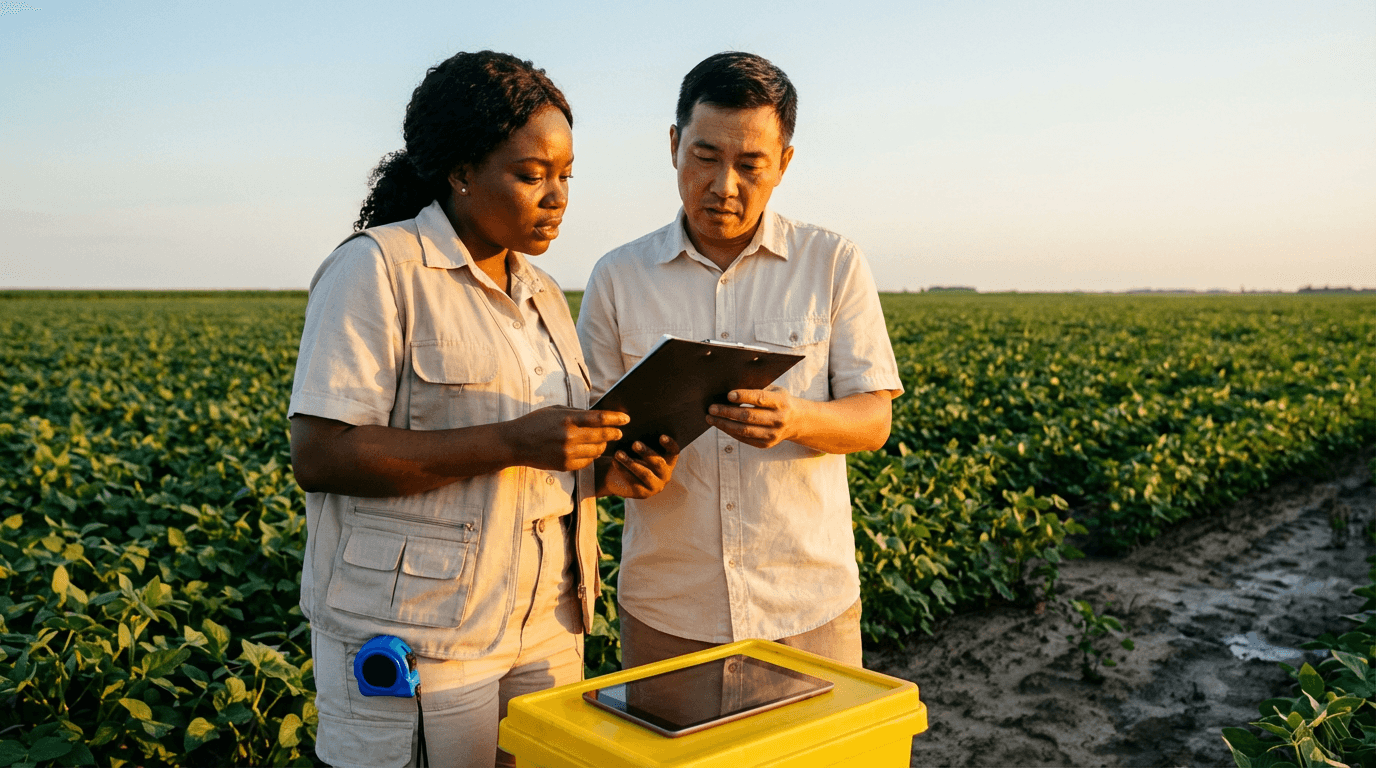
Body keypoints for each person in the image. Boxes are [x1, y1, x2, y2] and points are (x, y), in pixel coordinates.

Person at [288, 51, 677, 768]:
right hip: (423, 633)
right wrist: (511, 442)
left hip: (547, 622)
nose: (557, 198)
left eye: (566, 176)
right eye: (532, 175)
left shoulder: (544, 293)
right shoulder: (378, 268)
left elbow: (539, 459)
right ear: (462, 172)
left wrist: (604, 474)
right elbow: (321, 454)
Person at [576, 51, 903, 670]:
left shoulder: (832, 263)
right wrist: (619, 472)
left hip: (807, 605)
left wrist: (797, 418)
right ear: (674, 146)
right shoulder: (618, 277)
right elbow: (586, 431)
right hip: (670, 607)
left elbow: (873, 419)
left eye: (750, 165)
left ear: (784, 164)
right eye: (705, 157)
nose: (724, 185)